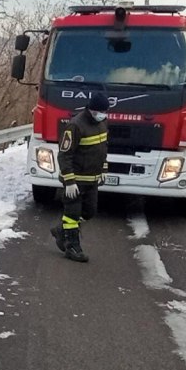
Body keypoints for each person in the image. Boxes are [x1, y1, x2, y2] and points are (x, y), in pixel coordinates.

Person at [50, 92, 109, 262]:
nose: (103, 115)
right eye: (100, 111)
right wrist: (69, 181)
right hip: (75, 180)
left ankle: (61, 230)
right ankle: (72, 247)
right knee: (72, 214)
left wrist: (104, 169)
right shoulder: (75, 126)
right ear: (91, 109)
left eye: (105, 112)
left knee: (90, 212)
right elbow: (64, 155)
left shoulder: (102, 123)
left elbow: (103, 148)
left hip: (92, 179)